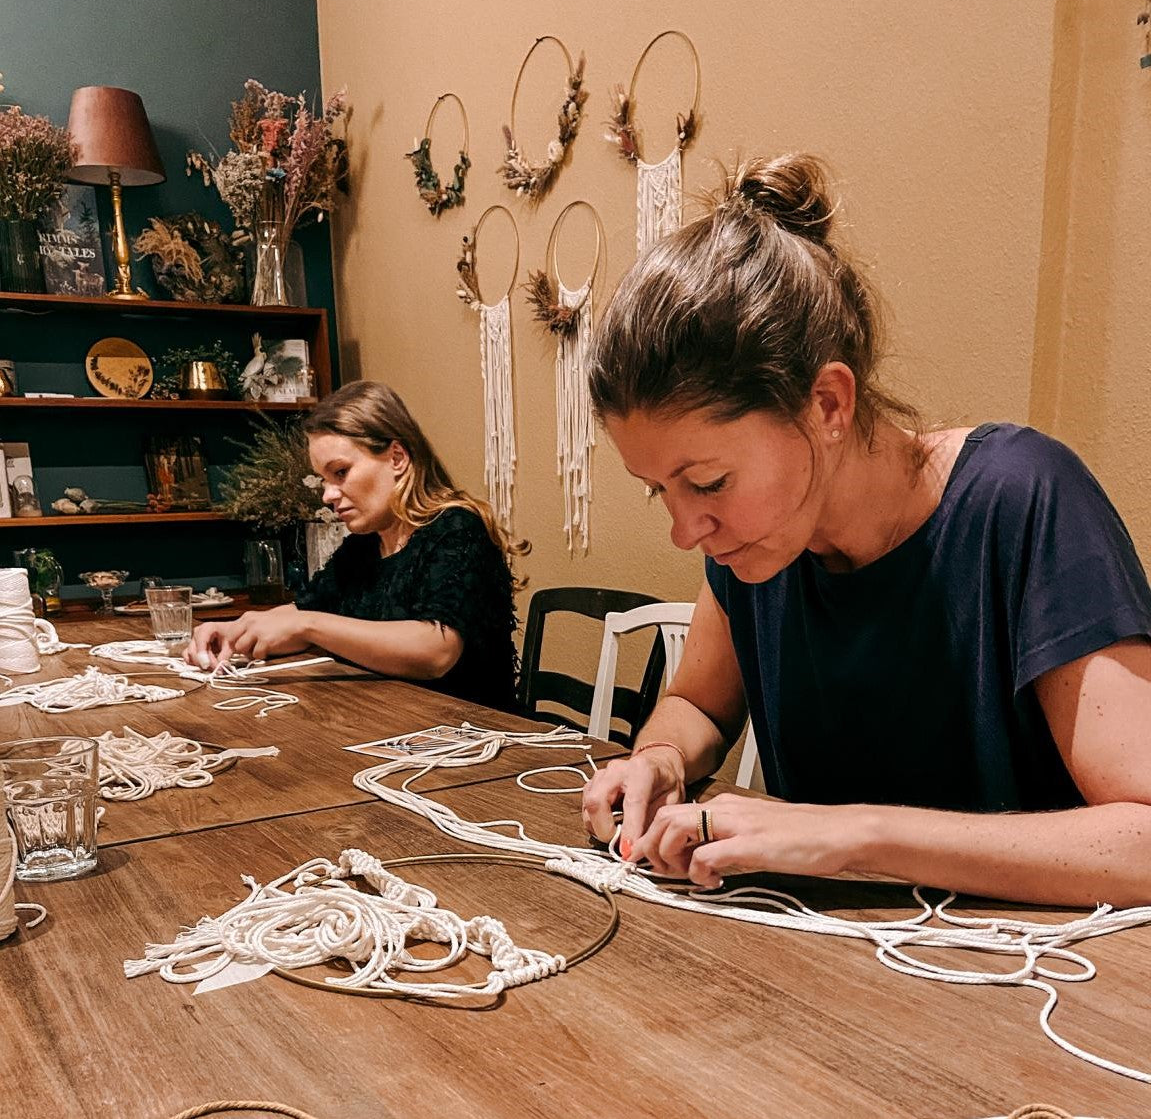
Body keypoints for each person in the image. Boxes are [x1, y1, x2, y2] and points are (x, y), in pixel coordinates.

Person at [580, 154, 1151, 908]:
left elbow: (1141, 839)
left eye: (709, 482)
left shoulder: (1021, 498)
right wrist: (659, 756)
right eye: (660, 490)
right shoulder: (758, 543)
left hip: (1034, 982)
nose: (687, 529)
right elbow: (698, 705)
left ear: (826, 403)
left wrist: (851, 837)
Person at [185, 380, 526, 710]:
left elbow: (437, 652)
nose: (327, 494)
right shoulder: (364, 544)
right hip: (392, 725)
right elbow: (307, 610)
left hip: (471, 740)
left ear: (397, 458)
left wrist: (308, 626)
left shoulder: (456, 528)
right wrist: (234, 632)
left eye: (340, 472)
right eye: (323, 479)